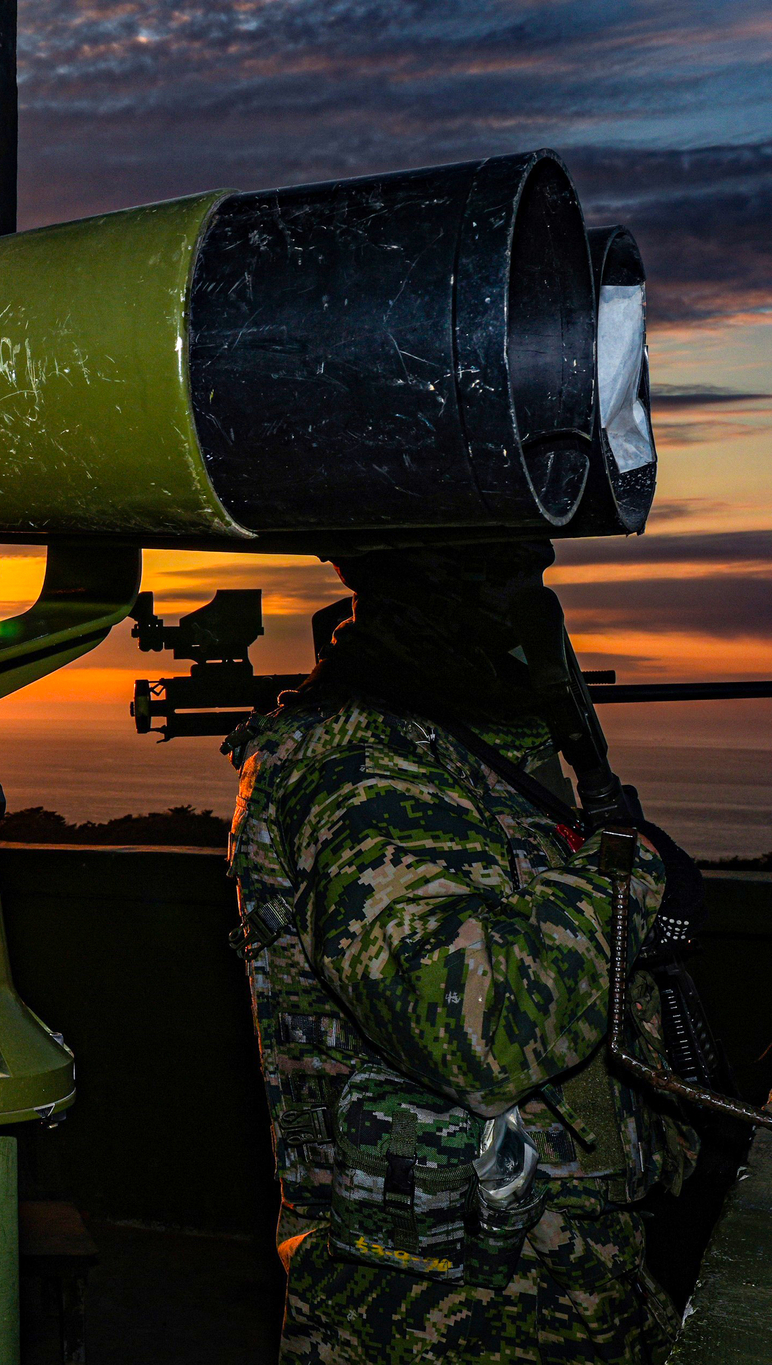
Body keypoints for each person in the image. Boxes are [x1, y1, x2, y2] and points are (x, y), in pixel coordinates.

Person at [225, 541, 695, 1363]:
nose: (532, 604)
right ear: (448, 583)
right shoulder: (360, 760)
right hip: (437, 1316)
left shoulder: (469, 748)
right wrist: (635, 869)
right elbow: (476, 1030)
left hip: (560, 1286)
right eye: (512, 575)